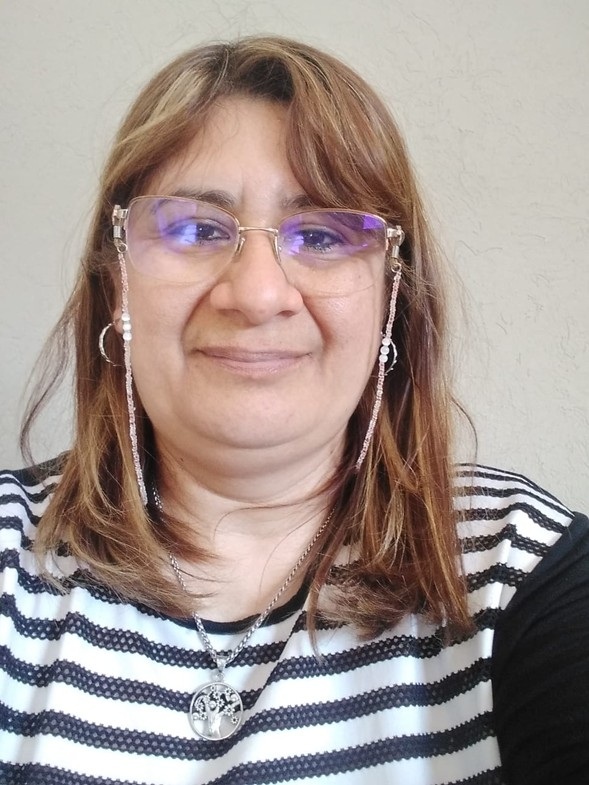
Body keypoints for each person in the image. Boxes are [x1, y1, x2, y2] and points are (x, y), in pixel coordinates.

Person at [1, 35, 587, 785]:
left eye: (320, 235)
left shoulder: (522, 571)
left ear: (392, 299)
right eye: (195, 229)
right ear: (116, 283)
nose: (256, 294)